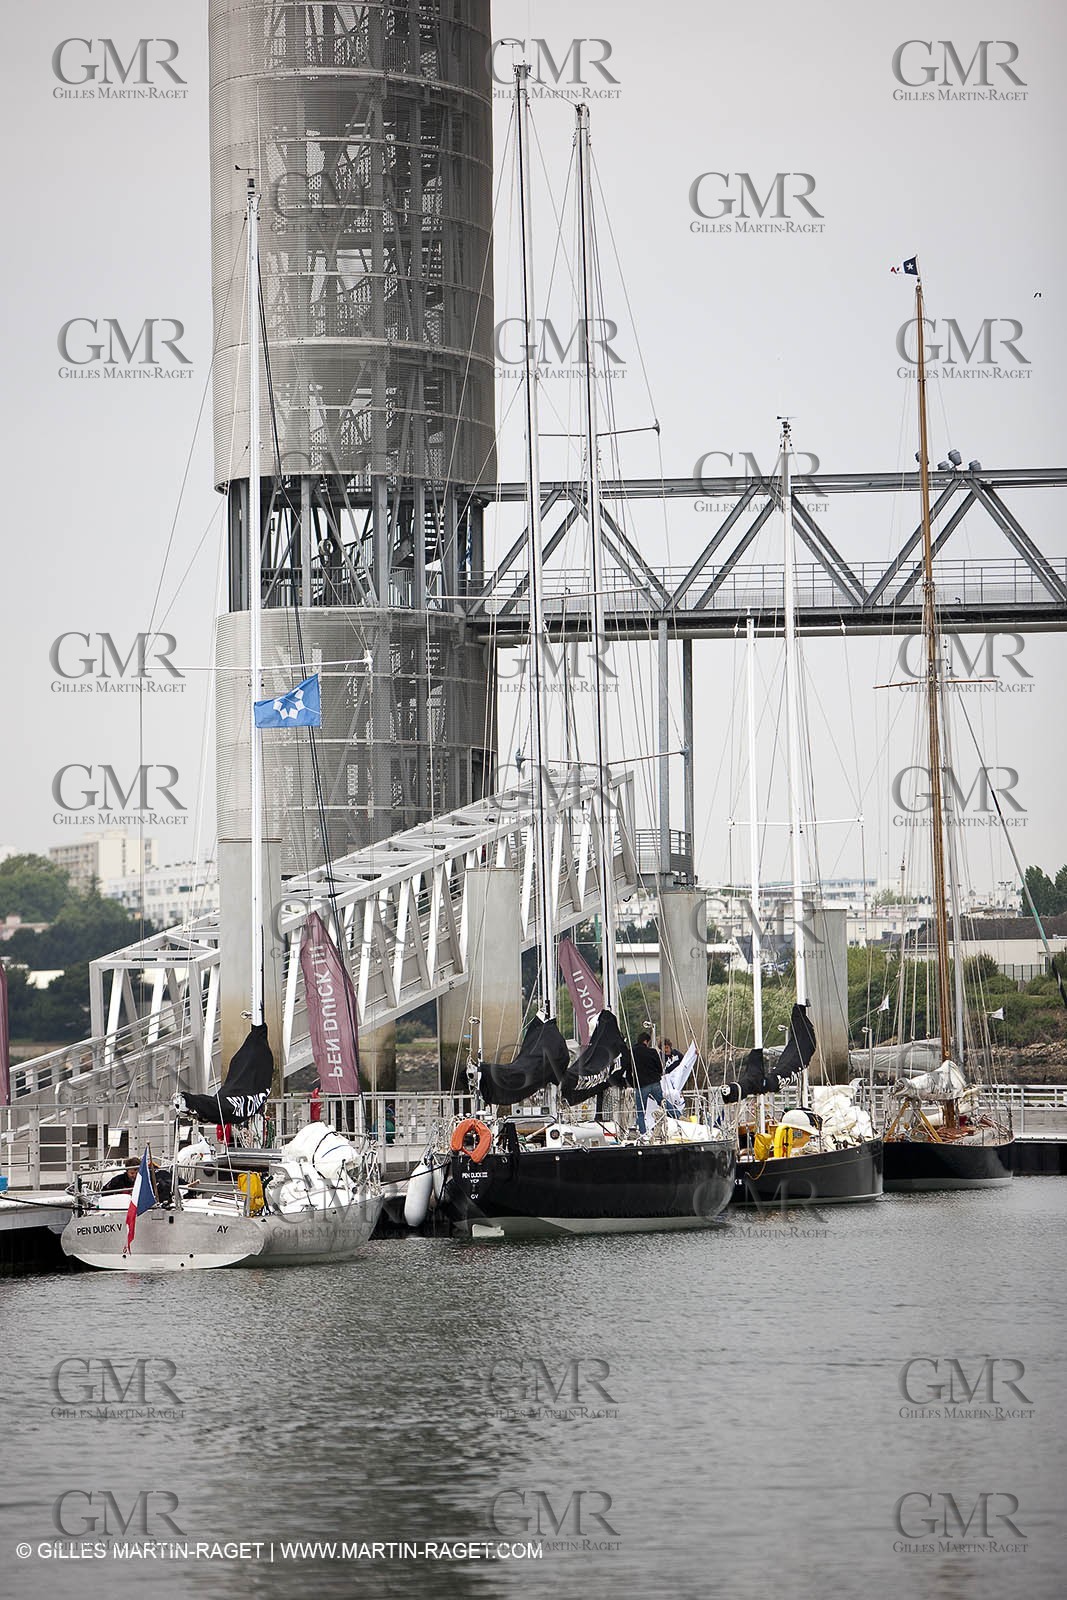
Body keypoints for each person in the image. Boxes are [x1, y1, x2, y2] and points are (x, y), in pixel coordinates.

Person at [626, 1031, 666, 1134]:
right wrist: (656, 1076)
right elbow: (660, 1069)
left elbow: (628, 1071)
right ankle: (677, 1115)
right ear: (646, 1041)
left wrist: (634, 1084)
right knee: (662, 1102)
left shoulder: (631, 1052)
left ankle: (643, 1133)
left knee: (640, 1111)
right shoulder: (652, 1052)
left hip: (641, 1085)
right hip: (654, 1082)